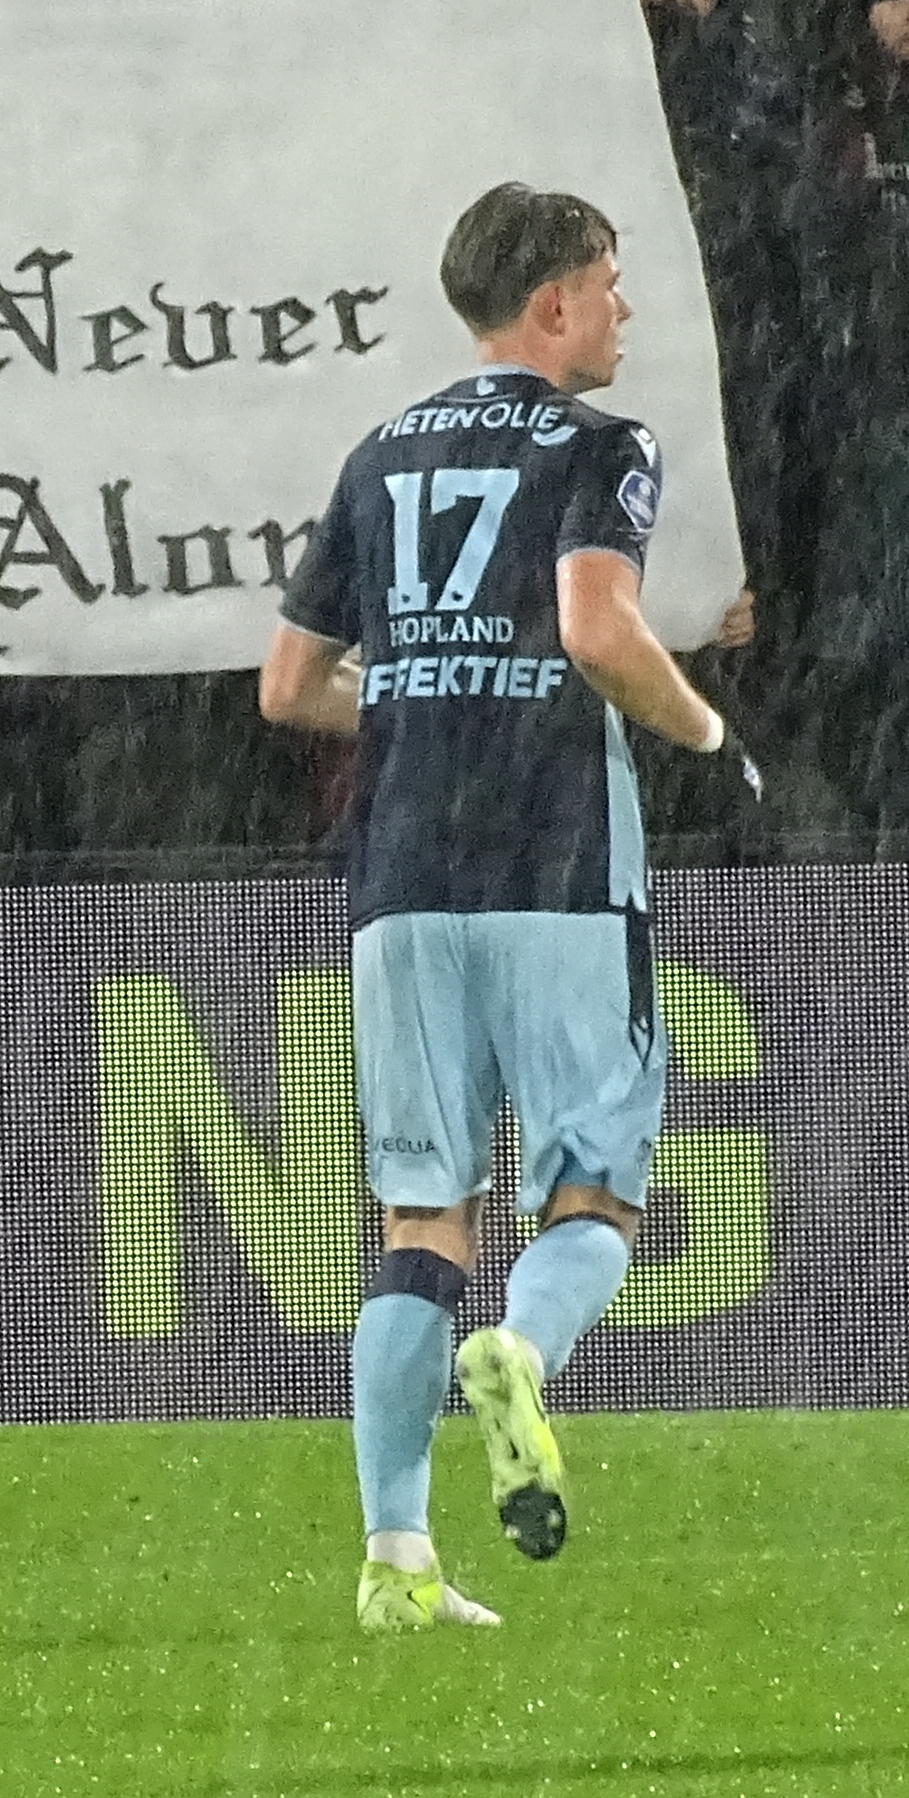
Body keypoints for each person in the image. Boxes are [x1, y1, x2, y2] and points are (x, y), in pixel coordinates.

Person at [258, 185, 751, 1633]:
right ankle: (523, 1356)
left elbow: (287, 690)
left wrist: (416, 700)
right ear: (551, 303)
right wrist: (708, 735)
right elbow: (600, 631)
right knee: (592, 1188)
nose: (623, 310)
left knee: (422, 1212)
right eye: (609, 283)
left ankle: (396, 1556)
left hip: (402, 875)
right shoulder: (606, 447)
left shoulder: (378, 454)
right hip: (551, 860)